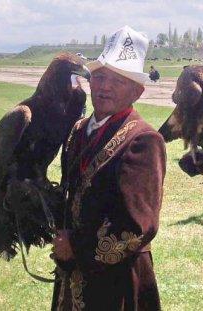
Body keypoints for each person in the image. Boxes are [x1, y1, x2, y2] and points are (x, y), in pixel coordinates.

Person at [51, 25, 166, 310]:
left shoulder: (143, 140)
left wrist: (75, 247)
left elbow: (137, 227)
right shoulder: (78, 129)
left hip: (118, 283)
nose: (104, 87)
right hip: (72, 277)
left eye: (118, 81)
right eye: (100, 77)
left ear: (137, 91)